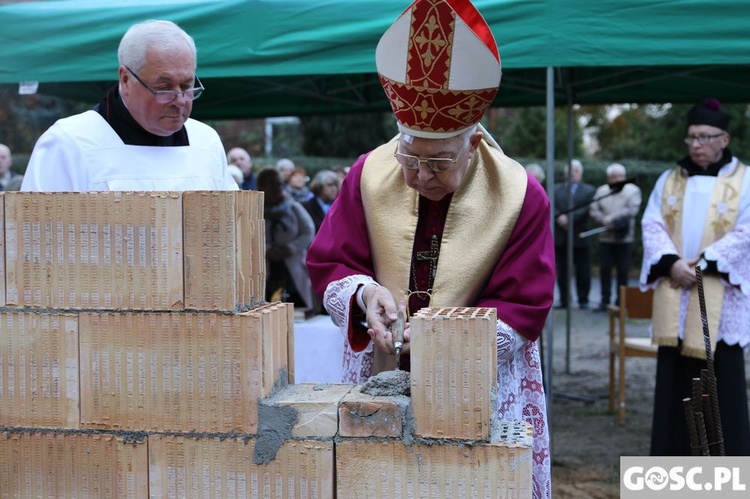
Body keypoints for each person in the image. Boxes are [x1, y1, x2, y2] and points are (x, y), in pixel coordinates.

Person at [305, 1, 554, 496]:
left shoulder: (520, 194)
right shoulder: (370, 173)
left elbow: (525, 303)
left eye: (439, 162)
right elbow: (331, 259)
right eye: (410, 157)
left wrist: (448, 341)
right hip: (380, 370)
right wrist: (363, 295)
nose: (420, 176)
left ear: (473, 141)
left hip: (476, 383)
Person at [640, 98, 750, 456]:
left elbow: (747, 232)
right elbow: (651, 223)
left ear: (724, 138)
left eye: (705, 137)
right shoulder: (670, 180)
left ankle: (726, 476)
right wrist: (671, 262)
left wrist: (704, 263)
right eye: (691, 138)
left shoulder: (745, 180)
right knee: (675, 392)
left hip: (719, 297)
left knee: (724, 393)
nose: (697, 144)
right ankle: (671, 475)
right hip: (678, 294)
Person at [21, 20, 237, 192]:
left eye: (187, 86)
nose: (180, 100)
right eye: (164, 87)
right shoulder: (69, 143)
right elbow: (34, 238)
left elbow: (232, 230)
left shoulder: (206, 142)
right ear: (126, 80)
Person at [256, 168, 316, 316]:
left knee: (297, 309)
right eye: (267, 185)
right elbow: (248, 235)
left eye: (275, 184)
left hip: (292, 262)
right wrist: (267, 250)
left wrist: (291, 248)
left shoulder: (293, 207)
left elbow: (308, 231)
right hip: (265, 265)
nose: (272, 189)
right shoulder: (253, 210)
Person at [589, 163, 642, 310]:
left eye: (621, 176)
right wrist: (602, 219)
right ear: (609, 178)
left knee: (623, 271)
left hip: (624, 239)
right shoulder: (602, 191)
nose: (618, 179)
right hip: (605, 238)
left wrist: (611, 218)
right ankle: (604, 301)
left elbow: (632, 209)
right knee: (605, 270)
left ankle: (622, 302)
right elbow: (593, 208)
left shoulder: (633, 191)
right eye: (615, 177)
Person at [553, 159, 596, 309]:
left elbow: (587, 209)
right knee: (562, 271)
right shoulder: (555, 189)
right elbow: (550, 204)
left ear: (581, 173)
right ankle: (564, 299)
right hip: (561, 237)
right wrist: (559, 217)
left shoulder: (589, 190)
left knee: (583, 270)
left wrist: (569, 219)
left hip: (580, 236)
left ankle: (583, 299)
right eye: (570, 171)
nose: (572, 174)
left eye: (576, 171)